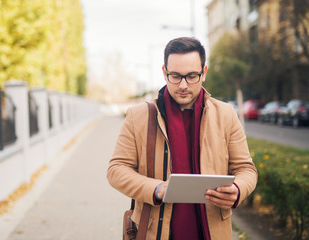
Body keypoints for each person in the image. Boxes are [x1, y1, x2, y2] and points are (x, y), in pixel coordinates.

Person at [107, 37, 257, 240]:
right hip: (154, 232)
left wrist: (237, 189)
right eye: (175, 76)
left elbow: (246, 169)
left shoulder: (226, 114)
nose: (183, 85)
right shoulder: (138, 116)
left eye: (192, 76)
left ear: (204, 73)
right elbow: (116, 170)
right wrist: (156, 189)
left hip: (211, 231)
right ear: (164, 72)